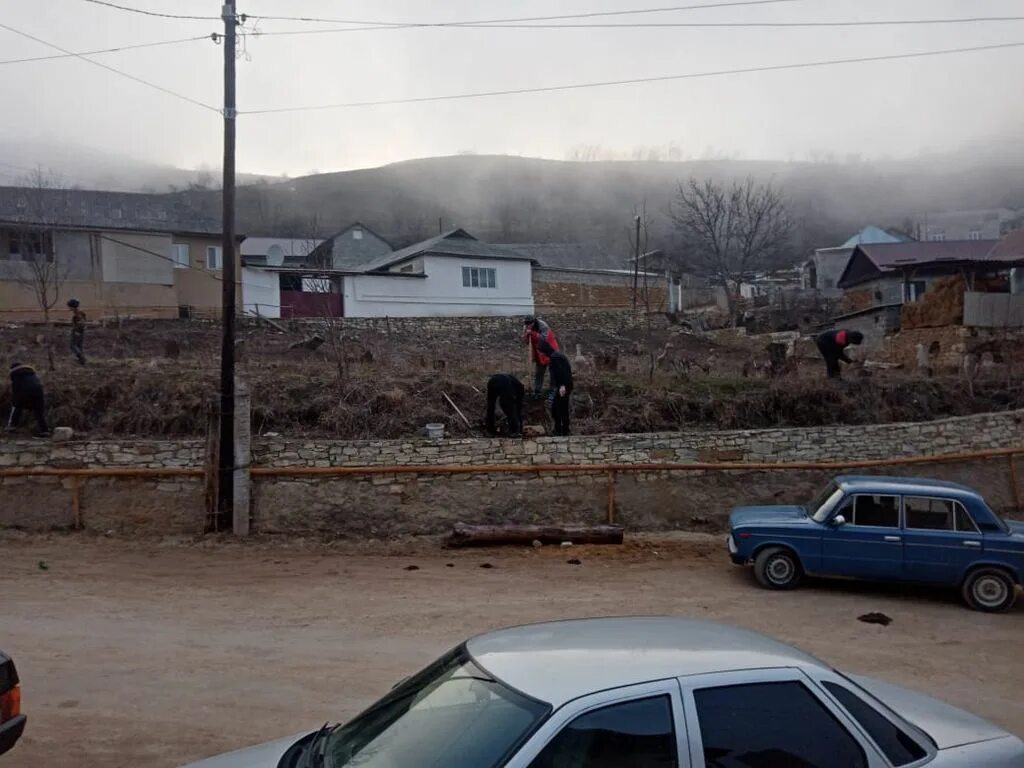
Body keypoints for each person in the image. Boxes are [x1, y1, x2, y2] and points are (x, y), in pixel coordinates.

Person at [539, 340, 573, 436]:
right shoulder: (557, 355)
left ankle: (559, 430)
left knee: (557, 408)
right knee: (562, 408)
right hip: (565, 386)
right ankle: (564, 429)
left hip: (561, 387)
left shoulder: (555, 358)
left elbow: (560, 372)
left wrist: (562, 386)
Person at [7, 362, 50, 437]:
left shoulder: (15, 375)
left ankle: (12, 426)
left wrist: (14, 401)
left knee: (17, 407)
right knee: (39, 412)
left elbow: (16, 391)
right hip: (38, 392)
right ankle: (45, 431)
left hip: (24, 392)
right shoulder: (32, 374)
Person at [522, 317, 559, 398]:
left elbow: (544, 339)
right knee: (539, 372)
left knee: (553, 372)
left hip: (550, 349)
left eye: (530, 325)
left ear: (533, 322)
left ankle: (553, 391)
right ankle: (537, 391)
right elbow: (526, 341)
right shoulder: (526, 327)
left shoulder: (543, 325)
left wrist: (532, 333)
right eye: (527, 325)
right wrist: (527, 335)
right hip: (539, 352)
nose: (528, 326)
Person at [485, 373, 525, 437]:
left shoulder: (517, 385)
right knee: (510, 408)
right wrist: (520, 427)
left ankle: (490, 430)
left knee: (491, 406)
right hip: (502, 384)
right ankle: (515, 431)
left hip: (493, 381)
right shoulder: (518, 389)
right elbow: (518, 408)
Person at [67, 298, 86, 365]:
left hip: (77, 331)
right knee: (79, 346)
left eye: (69, 306)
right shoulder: (82, 312)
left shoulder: (76, 314)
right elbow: (84, 323)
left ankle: (81, 357)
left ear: (72, 307)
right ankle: (81, 361)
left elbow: (81, 323)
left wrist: (77, 331)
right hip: (82, 332)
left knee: (72, 345)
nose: (69, 308)